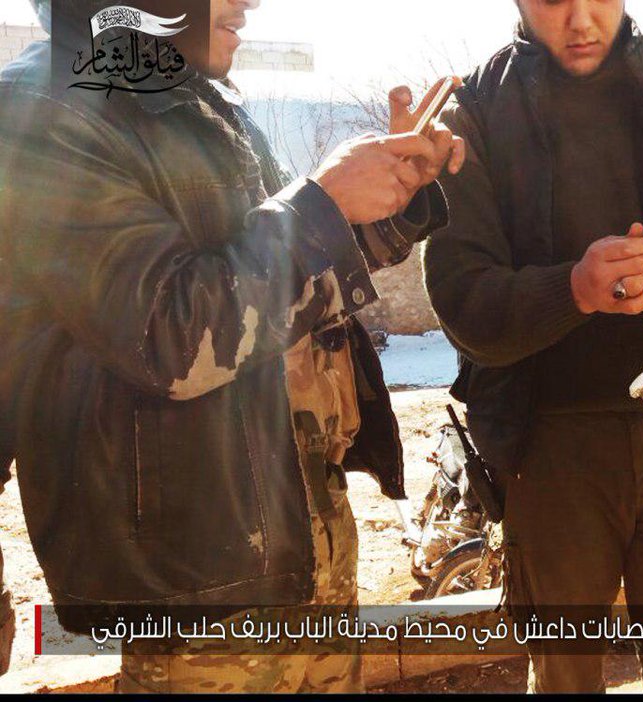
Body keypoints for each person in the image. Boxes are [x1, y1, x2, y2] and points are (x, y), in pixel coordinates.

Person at [0, 0, 463, 692]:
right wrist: (323, 204)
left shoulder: (193, 100)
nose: (248, 1)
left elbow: (274, 294)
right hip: (204, 590)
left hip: (298, 545)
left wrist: (383, 206)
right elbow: (174, 338)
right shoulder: (48, 112)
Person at [423, 0, 643, 693]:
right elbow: (465, 303)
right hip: (551, 451)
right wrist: (575, 290)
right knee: (564, 677)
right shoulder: (474, 114)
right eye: (555, 1)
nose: (582, 21)